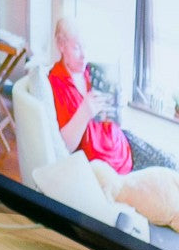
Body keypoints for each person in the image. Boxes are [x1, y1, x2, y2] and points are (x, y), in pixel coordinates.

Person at [48, 17, 133, 175]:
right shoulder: (56, 83)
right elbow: (64, 146)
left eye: (85, 47)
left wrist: (117, 105)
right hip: (101, 170)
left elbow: (112, 121)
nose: (84, 55)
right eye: (76, 48)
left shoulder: (92, 72)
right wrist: (85, 112)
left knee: (168, 165)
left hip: (121, 153)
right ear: (61, 45)